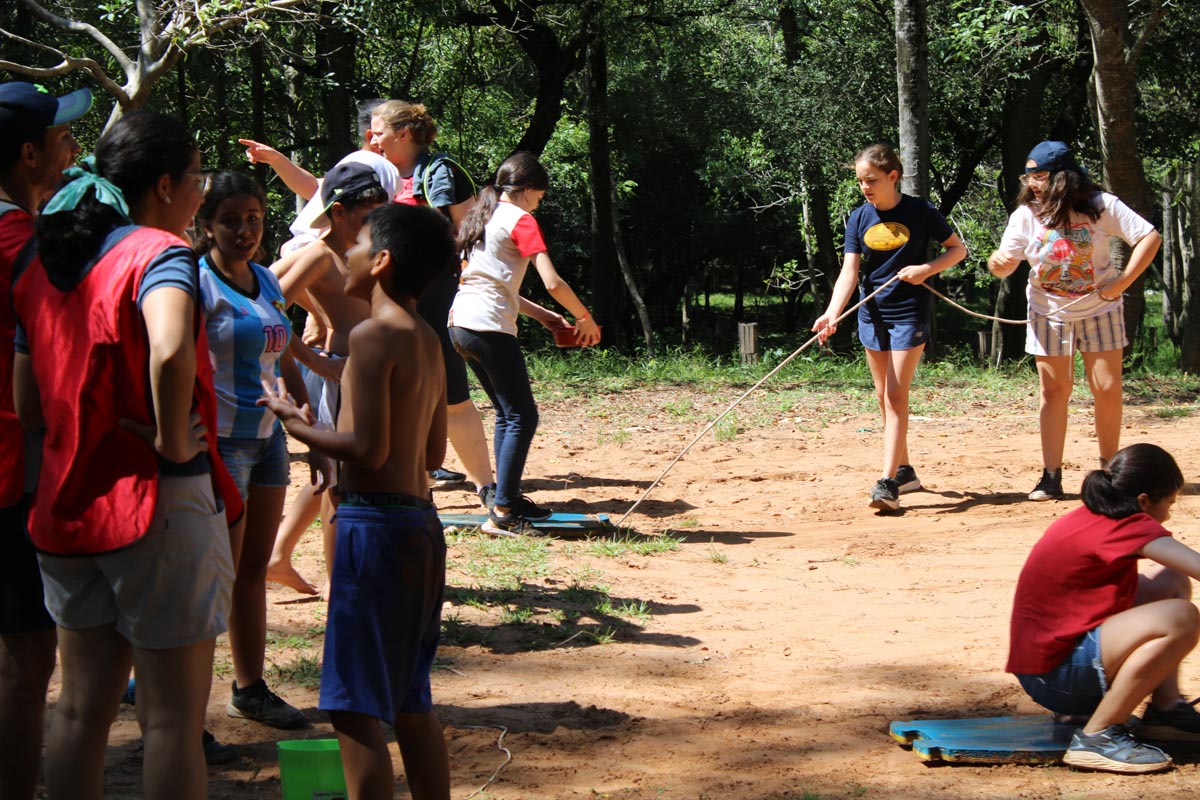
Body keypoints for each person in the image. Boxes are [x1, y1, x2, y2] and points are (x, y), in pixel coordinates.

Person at [12, 111, 242, 799]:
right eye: (198, 178)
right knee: (171, 720)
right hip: (155, 504)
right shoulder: (159, 253)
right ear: (164, 183)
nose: (201, 192)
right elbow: (170, 347)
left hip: (67, 504)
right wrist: (173, 438)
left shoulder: (49, 257)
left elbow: (27, 406)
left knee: (80, 705)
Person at [259, 203, 457, 800]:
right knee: (408, 699)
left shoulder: (372, 335)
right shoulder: (423, 338)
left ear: (382, 261)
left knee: (352, 707)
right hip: (420, 525)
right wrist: (308, 356)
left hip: (372, 529)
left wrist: (299, 424)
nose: (345, 253)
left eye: (358, 244)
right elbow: (430, 454)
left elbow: (367, 450)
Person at [196, 171, 329, 728]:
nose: (244, 230)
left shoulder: (267, 281)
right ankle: (178, 709)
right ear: (206, 225)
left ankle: (249, 688)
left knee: (252, 570)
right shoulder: (193, 282)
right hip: (218, 445)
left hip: (269, 441)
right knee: (213, 576)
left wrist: (310, 430)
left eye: (253, 219)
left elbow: (286, 355)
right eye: (230, 221)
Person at [0, 79, 90, 800]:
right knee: (30, 661)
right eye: (62, 137)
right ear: (29, 153)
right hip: (12, 476)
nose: (73, 147)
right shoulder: (23, 248)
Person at [1008, 443, 1200, 774]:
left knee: (1172, 582)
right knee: (1180, 618)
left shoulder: (1095, 514)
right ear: (1143, 501)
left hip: (1053, 668)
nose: (1168, 515)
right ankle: (1098, 737)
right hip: (1056, 677)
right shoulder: (1127, 524)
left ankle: (1166, 711)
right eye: (1168, 503)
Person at [987, 141, 1162, 502]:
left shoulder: (1100, 205)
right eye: (1029, 176)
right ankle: (1051, 476)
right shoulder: (1026, 214)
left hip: (1100, 307)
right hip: (1048, 312)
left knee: (1107, 388)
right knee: (1054, 392)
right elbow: (1002, 258)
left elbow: (1149, 236)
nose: (1032, 183)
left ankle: (1110, 472)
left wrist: (1123, 282)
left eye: (1040, 176)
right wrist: (999, 263)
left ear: (1063, 178)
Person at [449, 151, 600, 536]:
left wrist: (545, 317)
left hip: (460, 324)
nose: (539, 203)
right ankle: (503, 512)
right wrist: (585, 318)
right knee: (523, 415)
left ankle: (508, 498)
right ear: (530, 190)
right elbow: (552, 282)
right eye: (540, 196)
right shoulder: (521, 218)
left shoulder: (481, 216)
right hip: (488, 325)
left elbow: (493, 282)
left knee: (507, 412)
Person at [812, 143, 967, 513]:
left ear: (892, 177)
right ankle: (906, 472)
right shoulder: (858, 217)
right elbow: (849, 272)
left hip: (909, 312)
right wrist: (832, 312)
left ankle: (886, 483)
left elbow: (957, 250)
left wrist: (926, 269)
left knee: (896, 396)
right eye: (861, 181)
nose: (865, 187)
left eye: (872, 180)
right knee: (884, 397)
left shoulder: (921, 211)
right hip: (871, 314)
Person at [269, 162, 388, 595]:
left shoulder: (367, 247)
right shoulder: (320, 254)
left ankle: (284, 557)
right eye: (365, 213)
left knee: (342, 478)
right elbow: (267, 305)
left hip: (365, 376)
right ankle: (343, 585)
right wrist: (313, 360)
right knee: (339, 485)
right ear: (338, 212)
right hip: (337, 379)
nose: (373, 221)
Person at [368, 100, 492, 500]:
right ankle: (402, 480)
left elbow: (472, 235)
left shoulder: (441, 172)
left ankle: (487, 488)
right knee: (388, 394)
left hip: (435, 295)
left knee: (452, 395)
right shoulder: (375, 172)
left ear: (403, 134)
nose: (372, 139)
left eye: (379, 131)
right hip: (386, 299)